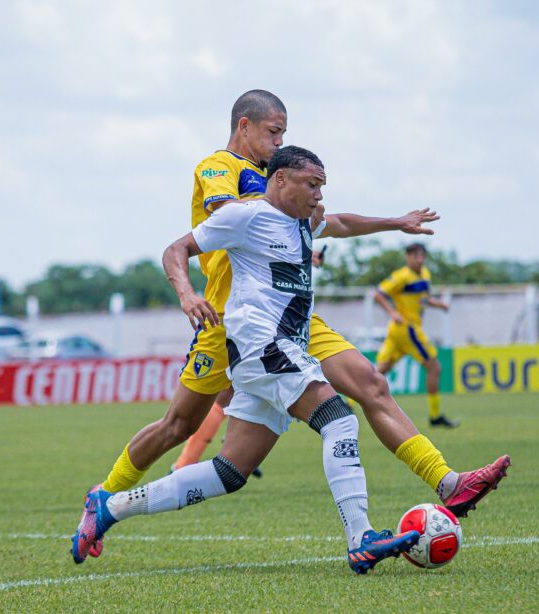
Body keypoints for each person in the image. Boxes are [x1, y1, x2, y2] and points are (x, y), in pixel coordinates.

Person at [73, 89, 509, 560]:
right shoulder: (230, 179)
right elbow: (226, 220)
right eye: (273, 131)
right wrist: (190, 290)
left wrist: (389, 221)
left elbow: (334, 221)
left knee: (262, 451)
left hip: (289, 323)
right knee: (184, 424)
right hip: (233, 321)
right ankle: (106, 491)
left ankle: (450, 482)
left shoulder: (288, 201)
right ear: (245, 127)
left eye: (284, 133)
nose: (279, 139)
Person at [73, 146, 424, 574]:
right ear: (279, 180)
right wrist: (187, 293)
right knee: (339, 418)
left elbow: (343, 222)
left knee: (229, 472)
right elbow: (175, 250)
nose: (318, 196)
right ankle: (361, 538)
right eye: (311, 185)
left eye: (321, 187)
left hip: (274, 350)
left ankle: (109, 508)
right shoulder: (246, 215)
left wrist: (397, 222)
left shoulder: (304, 220)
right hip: (262, 345)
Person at [374, 243, 458, 427]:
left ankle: (348, 404)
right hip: (408, 329)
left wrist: (439, 305)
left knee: (379, 371)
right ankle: (435, 416)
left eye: (422, 256)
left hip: (398, 331)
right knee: (435, 368)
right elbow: (378, 294)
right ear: (408, 257)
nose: (419, 259)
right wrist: (392, 312)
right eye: (415, 256)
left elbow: (424, 298)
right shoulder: (401, 276)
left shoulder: (425, 274)